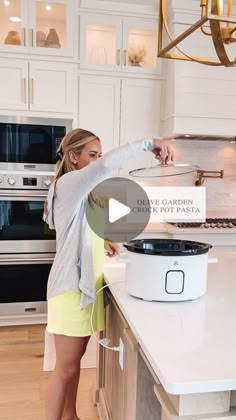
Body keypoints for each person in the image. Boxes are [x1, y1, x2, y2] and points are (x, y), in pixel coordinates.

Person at [43, 128, 174, 420]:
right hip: (69, 291)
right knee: (64, 369)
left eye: (99, 155)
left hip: (77, 289)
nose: (97, 161)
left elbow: (73, 231)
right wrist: (148, 143)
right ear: (73, 157)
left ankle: (70, 416)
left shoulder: (77, 190)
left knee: (72, 365)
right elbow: (106, 168)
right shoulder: (67, 184)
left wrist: (103, 241)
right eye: (91, 155)